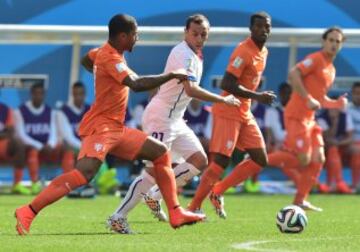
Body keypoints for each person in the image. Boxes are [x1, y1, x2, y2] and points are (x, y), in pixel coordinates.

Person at [14, 14, 205, 236]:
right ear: (123, 36)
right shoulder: (110, 57)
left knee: (161, 152)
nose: (137, 38)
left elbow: (87, 60)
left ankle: (175, 212)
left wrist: (101, 75)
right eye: (135, 34)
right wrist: (172, 74)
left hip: (116, 127)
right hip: (101, 128)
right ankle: (27, 211)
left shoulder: (104, 54)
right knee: (84, 174)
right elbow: (136, 84)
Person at [107, 14, 239, 231]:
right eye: (194, 33)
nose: (199, 38)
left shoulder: (196, 54)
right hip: (161, 118)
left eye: (203, 34)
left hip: (175, 118)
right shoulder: (183, 54)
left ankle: (155, 196)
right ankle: (118, 216)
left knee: (199, 160)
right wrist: (222, 99)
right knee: (151, 172)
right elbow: (191, 90)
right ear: (185, 32)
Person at [204, 26, 347, 216]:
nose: (334, 44)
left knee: (318, 158)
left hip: (309, 119)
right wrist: (307, 99)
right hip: (296, 116)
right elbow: (294, 74)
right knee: (301, 159)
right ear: (324, 41)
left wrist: (335, 104)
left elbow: (319, 98)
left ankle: (300, 200)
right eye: (330, 40)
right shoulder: (315, 59)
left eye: (337, 41)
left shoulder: (331, 69)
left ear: (341, 45)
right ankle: (243, 169)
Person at [188, 12, 276, 218]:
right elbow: (226, 83)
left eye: (267, 27)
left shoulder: (264, 51)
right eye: (259, 26)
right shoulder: (243, 51)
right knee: (220, 162)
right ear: (251, 28)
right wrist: (257, 96)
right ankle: (193, 207)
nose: (263, 30)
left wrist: (254, 98)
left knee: (259, 159)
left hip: (244, 112)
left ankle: (217, 191)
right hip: (228, 110)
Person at [13, 83, 58, 194]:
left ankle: (70, 186)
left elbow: (54, 132)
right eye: (35, 93)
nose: (38, 96)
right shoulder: (20, 111)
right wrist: (39, 146)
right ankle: (34, 184)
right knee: (31, 151)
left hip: (47, 148)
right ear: (31, 94)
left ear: (44, 95)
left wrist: (50, 144)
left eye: (40, 93)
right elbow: (21, 134)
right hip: (30, 147)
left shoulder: (50, 112)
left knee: (67, 149)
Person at [317, 106, 353, 193]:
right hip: (324, 148)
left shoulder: (345, 116)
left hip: (342, 146)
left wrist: (338, 143)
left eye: (336, 107)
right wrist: (334, 121)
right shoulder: (321, 118)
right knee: (332, 150)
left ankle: (333, 184)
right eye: (332, 107)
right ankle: (338, 182)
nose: (334, 110)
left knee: (336, 150)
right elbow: (327, 137)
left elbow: (350, 138)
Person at [0, 102, 28, 194]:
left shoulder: (5, 109)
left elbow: (10, 131)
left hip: (2, 143)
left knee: (18, 144)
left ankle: (17, 184)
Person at [347, 82, 360, 191]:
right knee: (357, 150)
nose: (358, 96)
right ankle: (356, 185)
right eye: (356, 93)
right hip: (350, 143)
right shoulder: (346, 109)